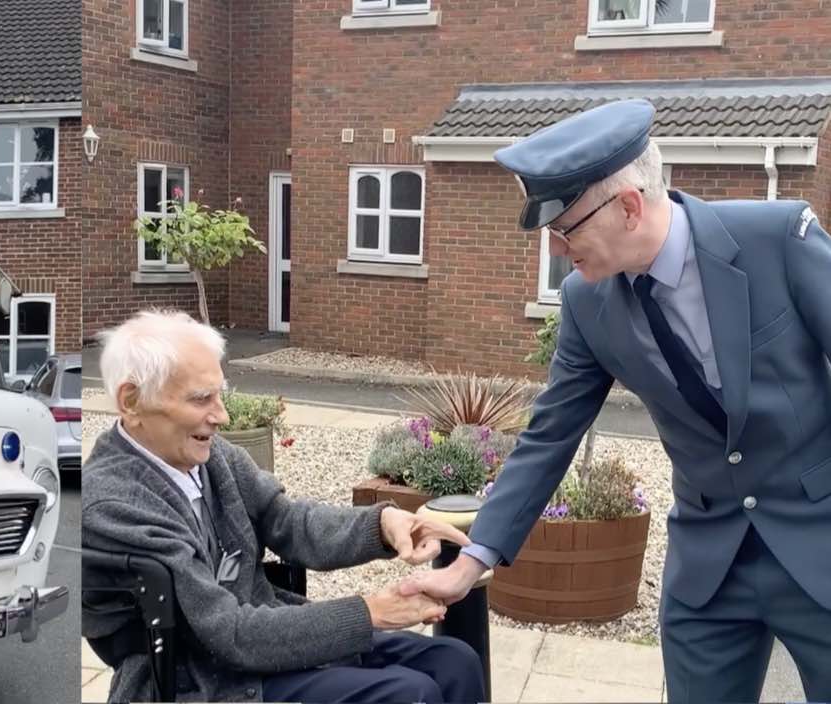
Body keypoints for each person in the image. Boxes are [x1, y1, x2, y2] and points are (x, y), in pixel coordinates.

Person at [400, 98, 831, 703]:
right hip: (709, 573)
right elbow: (551, 434)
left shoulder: (776, 239)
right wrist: (471, 562)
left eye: (564, 227)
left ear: (629, 206)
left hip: (820, 542)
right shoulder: (586, 302)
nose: (554, 249)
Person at [82, 309, 486, 703]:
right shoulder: (114, 503)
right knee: (411, 694)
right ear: (131, 401)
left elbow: (289, 522)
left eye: (219, 394)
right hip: (201, 681)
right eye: (201, 399)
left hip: (267, 648)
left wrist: (383, 524)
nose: (221, 415)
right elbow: (231, 634)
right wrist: (372, 612)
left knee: (454, 662)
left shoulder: (213, 458)